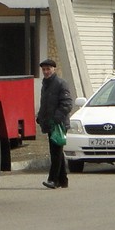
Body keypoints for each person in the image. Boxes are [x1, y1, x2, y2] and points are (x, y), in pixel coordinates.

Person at [37, 58, 73, 189]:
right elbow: (45, 104)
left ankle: (53, 180)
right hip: (50, 123)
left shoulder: (60, 83)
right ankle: (63, 180)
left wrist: (58, 117)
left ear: (54, 69)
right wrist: (40, 116)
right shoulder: (45, 84)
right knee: (57, 151)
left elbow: (67, 103)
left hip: (59, 124)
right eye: (44, 69)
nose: (46, 72)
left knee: (55, 152)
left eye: (48, 69)